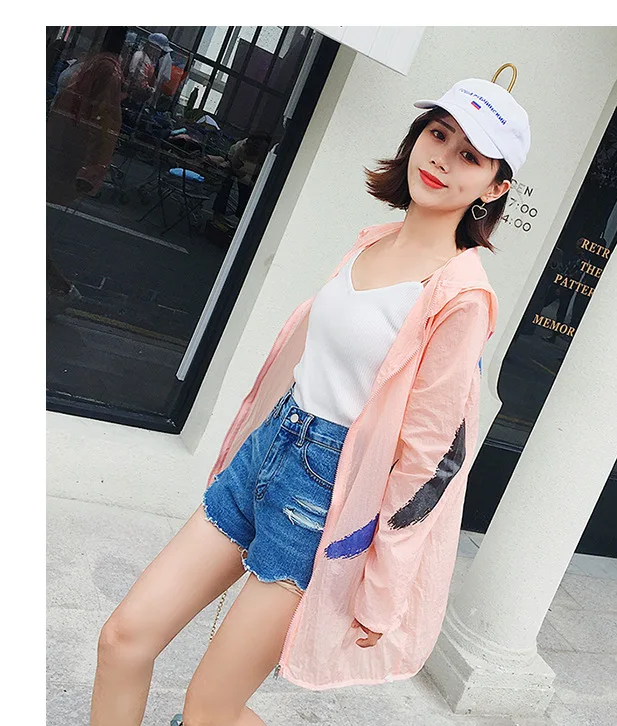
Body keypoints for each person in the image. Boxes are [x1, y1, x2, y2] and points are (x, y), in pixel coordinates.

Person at [89, 78, 531, 725]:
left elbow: (430, 458)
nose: (442, 158)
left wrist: (383, 587)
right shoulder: (371, 240)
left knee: (209, 710)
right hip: (270, 449)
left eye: (470, 155)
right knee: (122, 640)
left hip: (324, 495)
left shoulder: (461, 295)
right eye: (439, 134)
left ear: (494, 187)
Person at [46, 26, 127, 315]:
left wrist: (91, 170)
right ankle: (58, 288)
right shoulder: (98, 64)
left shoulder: (106, 69)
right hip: (59, 146)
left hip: (66, 153)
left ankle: (61, 288)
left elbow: (106, 124)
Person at [212, 134, 271, 221]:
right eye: (256, 146)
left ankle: (240, 216)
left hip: (250, 171)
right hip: (236, 167)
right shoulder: (240, 148)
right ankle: (218, 214)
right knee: (226, 188)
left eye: (261, 148)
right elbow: (235, 166)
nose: (258, 149)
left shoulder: (265, 155)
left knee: (246, 194)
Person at [127, 32, 172, 106]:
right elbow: (134, 75)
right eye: (159, 49)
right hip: (131, 95)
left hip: (141, 97)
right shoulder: (139, 55)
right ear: (152, 46)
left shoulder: (150, 60)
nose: (159, 52)